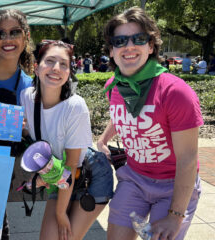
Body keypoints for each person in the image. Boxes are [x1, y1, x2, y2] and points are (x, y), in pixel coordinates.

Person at [99, 7, 203, 240]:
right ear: (112, 50)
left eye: (139, 39)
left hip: (173, 185)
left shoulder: (175, 92)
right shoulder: (114, 86)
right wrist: (104, 138)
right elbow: (122, 114)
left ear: (151, 46)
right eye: (120, 40)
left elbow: (188, 159)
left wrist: (175, 215)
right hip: (134, 179)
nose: (129, 46)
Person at [21, 40, 113, 240]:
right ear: (36, 68)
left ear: (69, 72)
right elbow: (38, 140)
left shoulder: (75, 106)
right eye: (50, 61)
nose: (56, 68)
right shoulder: (27, 97)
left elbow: (71, 165)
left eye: (63, 64)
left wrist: (60, 214)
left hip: (90, 175)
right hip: (61, 175)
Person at [0, 9, 34, 239]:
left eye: (15, 32)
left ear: (26, 36)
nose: (8, 39)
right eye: (1, 34)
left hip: (0, 167)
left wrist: (26, 128)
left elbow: (37, 131)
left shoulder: (28, 84)